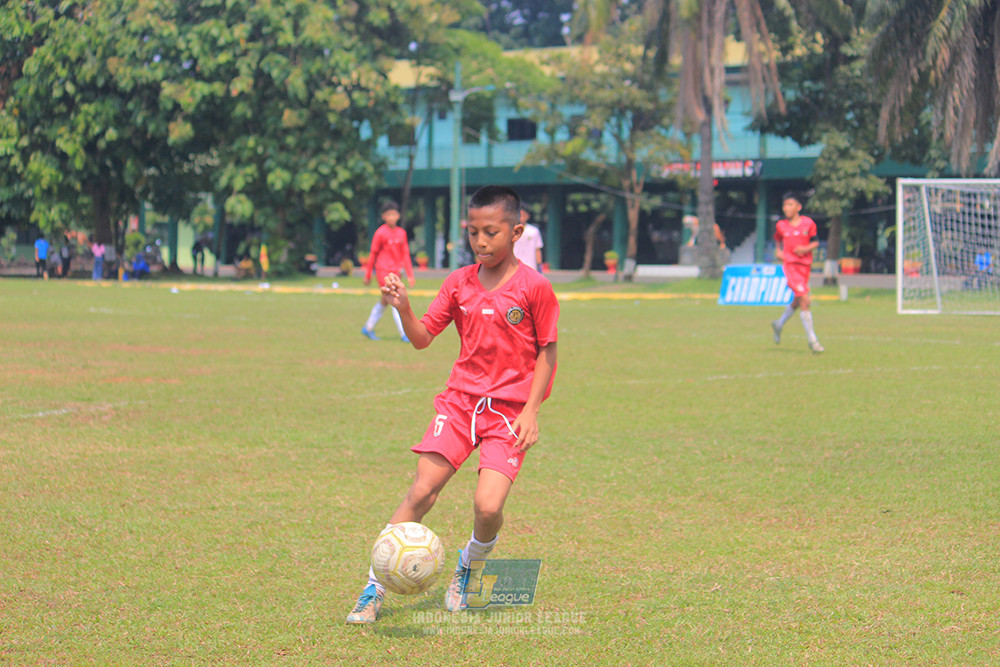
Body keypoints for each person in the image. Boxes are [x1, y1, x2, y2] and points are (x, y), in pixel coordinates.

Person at [345, 185, 560, 625]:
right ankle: (375, 585)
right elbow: (422, 338)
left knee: (488, 507)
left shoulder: (535, 287)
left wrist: (532, 411)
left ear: (516, 231)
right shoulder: (458, 282)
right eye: (473, 232)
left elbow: (547, 353)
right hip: (460, 403)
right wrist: (403, 307)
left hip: (509, 413)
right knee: (422, 491)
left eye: (492, 233)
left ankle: (469, 568)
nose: (480, 242)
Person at [771, 192, 824, 354]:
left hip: (804, 267)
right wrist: (778, 252)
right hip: (790, 266)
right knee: (805, 299)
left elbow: (816, 241)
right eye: (785, 205)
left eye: (790, 205)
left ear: (798, 207)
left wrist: (805, 249)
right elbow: (778, 240)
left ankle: (779, 324)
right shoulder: (781, 225)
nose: (787, 208)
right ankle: (813, 341)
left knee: (798, 300)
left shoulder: (808, 223)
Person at [361, 201, 415, 342]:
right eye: (388, 214)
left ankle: (368, 328)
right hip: (383, 271)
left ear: (398, 215)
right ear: (384, 216)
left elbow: (405, 254)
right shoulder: (380, 233)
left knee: (385, 301)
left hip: (396, 272)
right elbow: (373, 254)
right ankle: (404, 334)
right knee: (395, 299)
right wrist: (368, 274)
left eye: (394, 214)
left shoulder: (401, 233)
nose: (391, 217)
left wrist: (410, 274)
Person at [512, 204, 543, 271]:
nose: (521, 218)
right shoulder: (511, 230)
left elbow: (537, 249)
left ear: (527, 216)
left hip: (530, 266)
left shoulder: (534, 231)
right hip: (514, 266)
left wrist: (539, 266)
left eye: (523, 215)